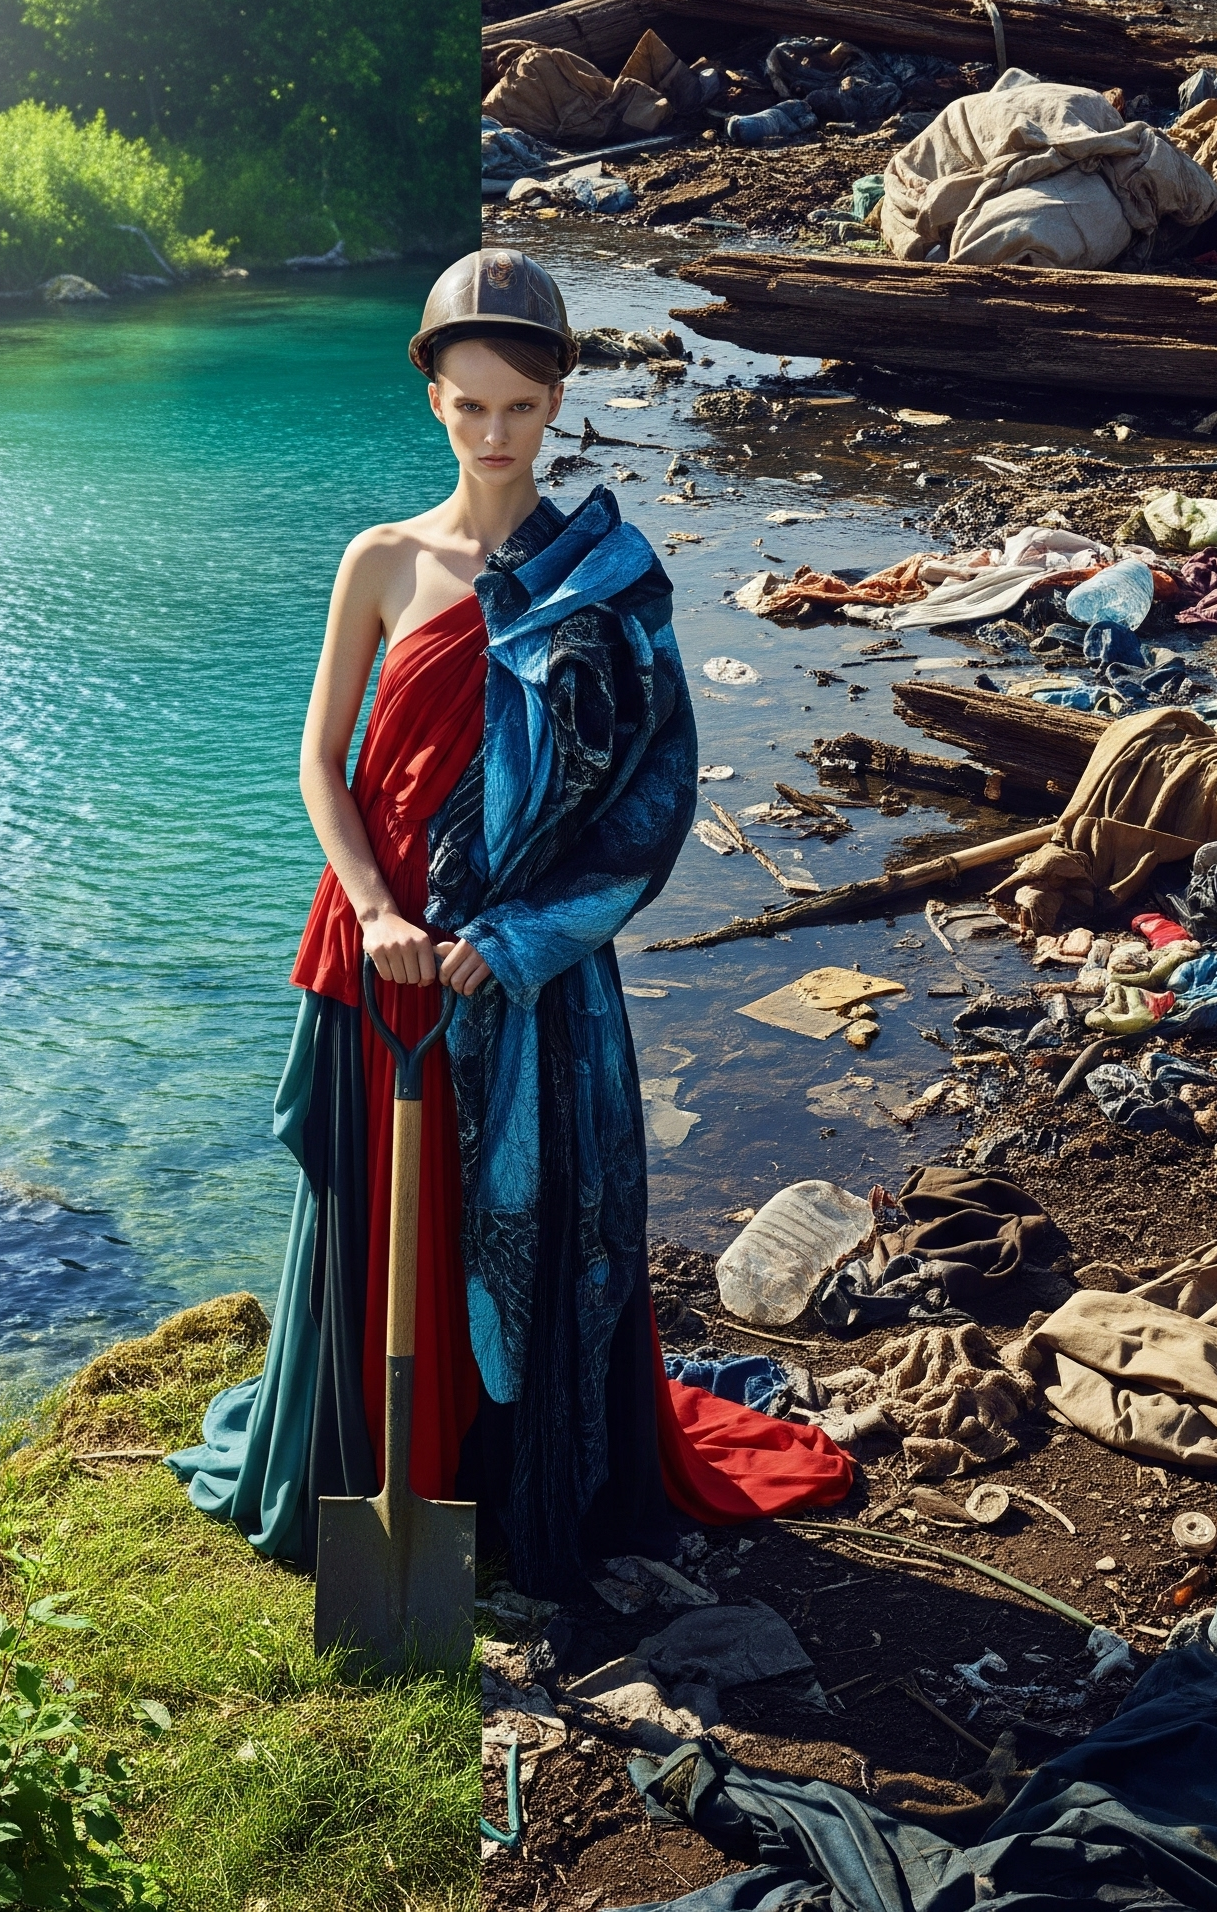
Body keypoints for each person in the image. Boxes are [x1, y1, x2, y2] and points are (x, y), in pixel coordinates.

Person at [168, 249, 851, 1596]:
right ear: (431, 397)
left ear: (558, 406)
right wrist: (374, 913)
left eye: (520, 409)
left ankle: (517, 1483)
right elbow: (323, 761)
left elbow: (651, 810)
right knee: (384, 1220)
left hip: (530, 975)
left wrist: (522, 938)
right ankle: (381, 1481)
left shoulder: (612, 580)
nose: (493, 434)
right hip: (380, 958)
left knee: (529, 1224)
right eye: (470, 405)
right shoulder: (379, 561)